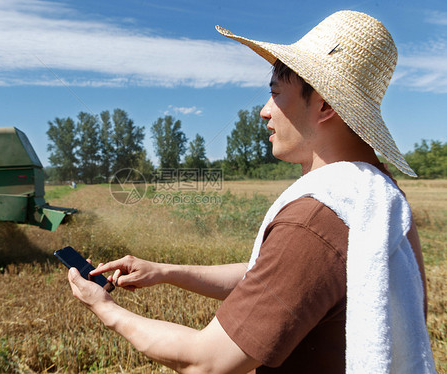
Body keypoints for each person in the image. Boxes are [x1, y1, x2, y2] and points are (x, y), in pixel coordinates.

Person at [67, 10, 436, 373]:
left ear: (323, 104)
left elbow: (205, 360)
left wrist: (104, 307)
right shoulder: (377, 198)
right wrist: (164, 270)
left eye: (276, 94)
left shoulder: (316, 220)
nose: (264, 111)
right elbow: (275, 278)